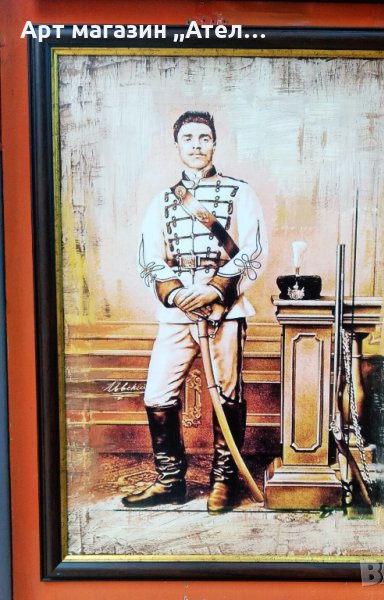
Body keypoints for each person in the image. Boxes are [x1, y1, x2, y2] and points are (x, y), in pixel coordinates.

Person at [122, 111, 268, 513]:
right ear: (177, 146)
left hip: (223, 309)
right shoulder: (162, 201)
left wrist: (215, 290)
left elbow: (254, 249)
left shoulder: (240, 192)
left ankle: (223, 481)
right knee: (158, 393)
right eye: (188, 138)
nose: (197, 145)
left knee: (227, 395)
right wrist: (175, 294)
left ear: (214, 143)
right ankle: (170, 481)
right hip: (178, 311)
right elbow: (149, 257)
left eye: (204, 137)